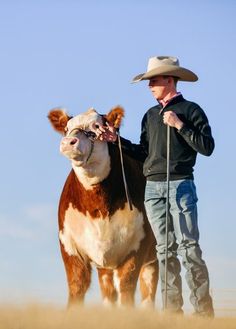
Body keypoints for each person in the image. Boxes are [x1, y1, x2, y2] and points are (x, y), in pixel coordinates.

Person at [95, 56, 215, 317]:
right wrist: (116, 140)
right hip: (153, 189)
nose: (149, 85)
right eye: (148, 81)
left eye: (154, 80)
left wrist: (180, 125)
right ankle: (172, 313)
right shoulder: (150, 116)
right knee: (164, 251)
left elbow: (207, 147)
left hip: (181, 185)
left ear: (169, 80)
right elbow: (144, 153)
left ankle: (204, 314)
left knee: (189, 248)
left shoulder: (191, 111)